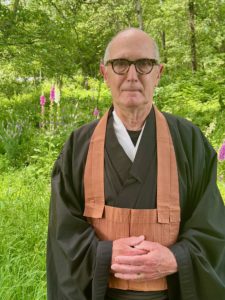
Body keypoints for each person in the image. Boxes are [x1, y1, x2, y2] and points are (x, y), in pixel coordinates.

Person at [47, 28, 225, 300]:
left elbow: (212, 227)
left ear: (159, 73)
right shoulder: (78, 145)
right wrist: (105, 255)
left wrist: (177, 258)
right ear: (105, 73)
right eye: (120, 64)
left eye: (144, 64)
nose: (132, 76)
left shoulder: (190, 141)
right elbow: (63, 236)